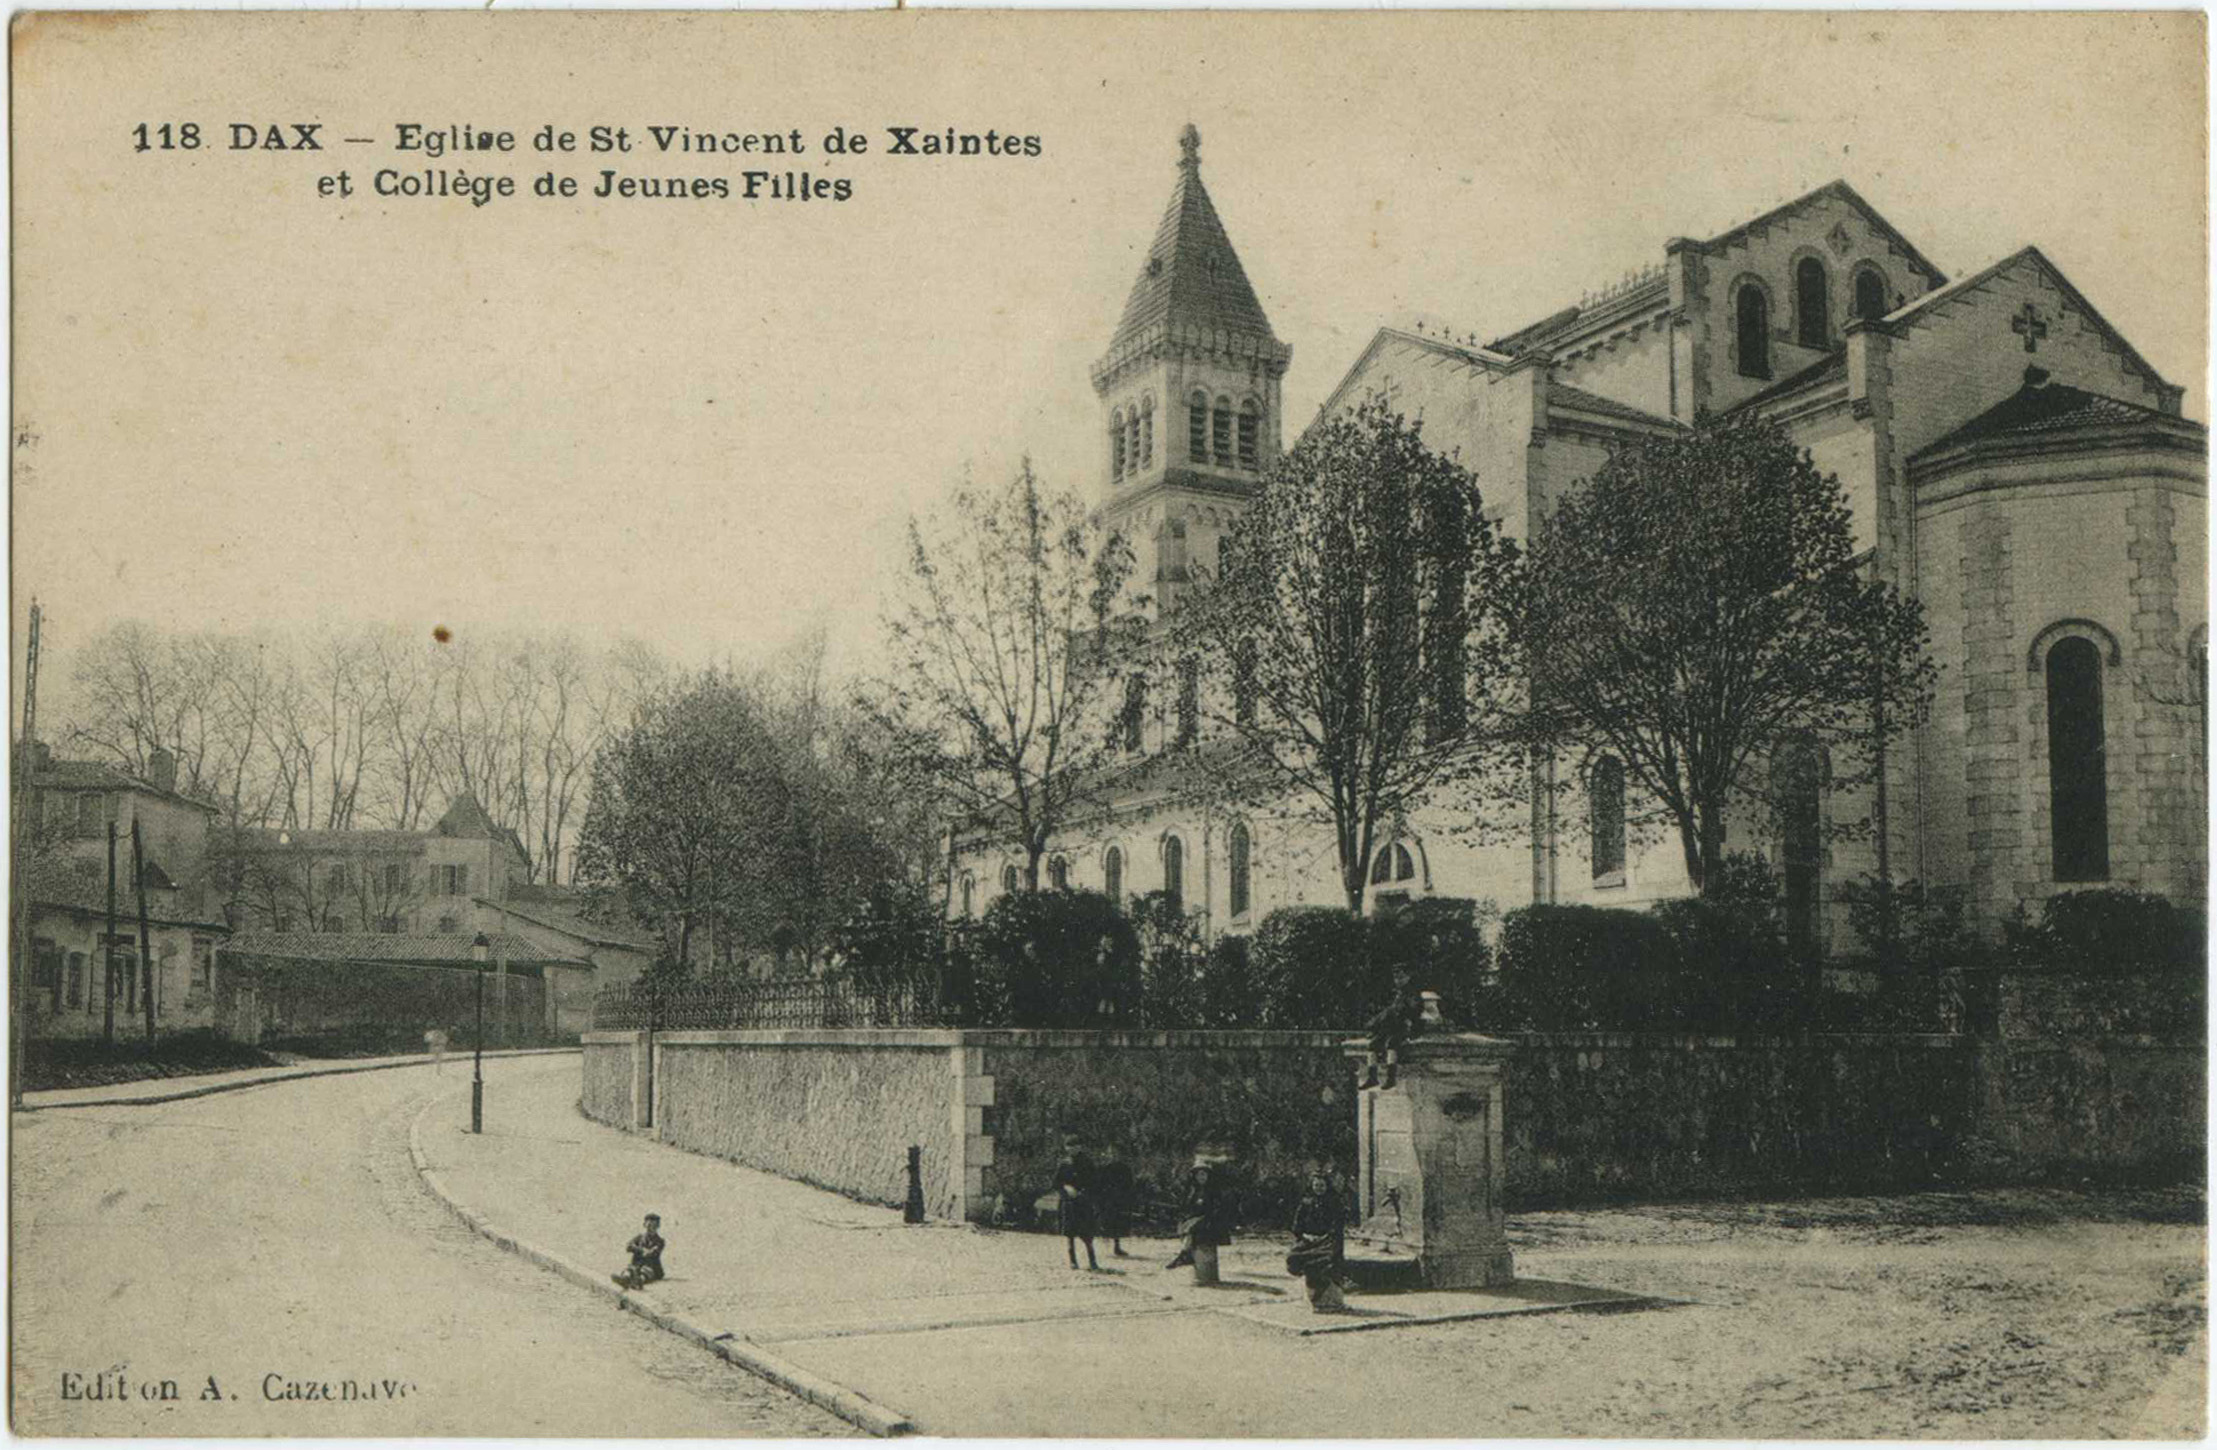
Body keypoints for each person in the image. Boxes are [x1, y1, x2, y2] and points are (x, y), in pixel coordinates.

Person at [1287, 1171, 1350, 1311]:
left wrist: (1324, 1237)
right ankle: (1310, 1298)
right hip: (1308, 1240)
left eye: (1322, 1185)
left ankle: (1328, 1301)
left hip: (1328, 1241)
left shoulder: (1335, 1202)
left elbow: (1337, 1226)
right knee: (1293, 1256)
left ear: (1327, 1186)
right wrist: (1305, 1235)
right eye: (1316, 1185)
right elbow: (1297, 1225)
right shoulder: (1305, 1202)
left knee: (1323, 1261)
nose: (1319, 1188)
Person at [1359, 971, 1426, 1090]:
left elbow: (1415, 1010)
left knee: (1392, 1044)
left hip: (1405, 1027)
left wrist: (1403, 1013)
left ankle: (1391, 1078)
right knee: (1373, 1045)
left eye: (1401, 978)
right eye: (1396, 978)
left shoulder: (1412, 993)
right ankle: (1372, 1078)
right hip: (1392, 1027)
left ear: (1408, 977)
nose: (1398, 981)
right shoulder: (1398, 993)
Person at [1164, 1161, 1234, 1270]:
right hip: (1198, 1219)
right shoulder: (1194, 1190)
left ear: (1208, 1176)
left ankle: (1184, 1255)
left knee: (1192, 1227)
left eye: (1204, 1174)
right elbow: (1190, 1207)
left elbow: (1219, 1208)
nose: (1201, 1177)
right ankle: (1186, 1254)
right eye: (1198, 1175)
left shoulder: (1213, 1190)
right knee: (1184, 1226)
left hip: (1211, 1220)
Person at [1054, 1136, 1100, 1271]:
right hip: (1068, 1203)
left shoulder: (1087, 1163)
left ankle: (1093, 1261)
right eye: (1069, 1146)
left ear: (1080, 1147)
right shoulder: (1063, 1163)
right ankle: (1073, 1261)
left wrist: (1083, 1193)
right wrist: (1066, 1188)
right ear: (1065, 1148)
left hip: (1083, 1202)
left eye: (1075, 1145)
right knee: (1070, 1234)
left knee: (1087, 1234)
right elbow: (1056, 1183)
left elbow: (1095, 1182)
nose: (1072, 1149)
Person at [1094, 1141, 1135, 1258]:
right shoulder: (1102, 1168)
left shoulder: (1124, 1168)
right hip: (1106, 1199)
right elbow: (1098, 1184)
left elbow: (1129, 1185)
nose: (1113, 1155)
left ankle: (1117, 1246)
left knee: (1119, 1223)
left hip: (1119, 1199)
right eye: (1110, 1153)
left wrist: (1127, 1197)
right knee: (1104, 1222)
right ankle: (1099, 1245)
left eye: (1115, 1153)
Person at [613, 1213, 665, 1290]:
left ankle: (639, 1281)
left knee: (646, 1272)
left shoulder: (660, 1241)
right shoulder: (639, 1237)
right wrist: (641, 1250)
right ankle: (625, 1279)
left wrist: (640, 1250)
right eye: (649, 1225)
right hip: (636, 1265)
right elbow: (628, 1246)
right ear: (644, 1225)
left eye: (654, 1226)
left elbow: (653, 1252)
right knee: (629, 1270)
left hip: (651, 1266)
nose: (650, 1228)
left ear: (658, 1226)